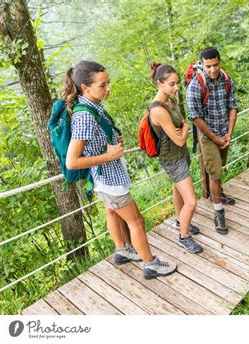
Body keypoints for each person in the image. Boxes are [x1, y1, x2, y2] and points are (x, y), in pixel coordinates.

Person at [65, 60, 176, 279]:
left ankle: (122, 250)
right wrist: (110, 155)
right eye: (102, 85)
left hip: (103, 179)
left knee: (111, 211)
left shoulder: (91, 105)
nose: (108, 89)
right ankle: (150, 264)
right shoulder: (84, 115)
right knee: (136, 221)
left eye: (108, 83)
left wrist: (113, 138)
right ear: (85, 87)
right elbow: (72, 162)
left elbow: (97, 137)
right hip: (110, 179)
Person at [148, 63, 203, 254]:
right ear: (159, 83)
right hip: (172, 158)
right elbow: (180, 139)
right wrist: (186, 128)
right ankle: (184, 236)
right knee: (192, 201)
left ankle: (181, 220)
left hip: (181, 154)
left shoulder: (171, 101)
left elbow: (182, 125)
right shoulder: (158, 110)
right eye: (172, 84)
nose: (176, 88)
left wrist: (184, 128)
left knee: (178, 191)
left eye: (177, 83)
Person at [186, 47, 238, 235]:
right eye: (208, 66)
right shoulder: (196, 85)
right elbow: (195, 116)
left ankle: (217, 193)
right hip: (208, 135)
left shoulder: (227, 80)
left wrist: (229, 134)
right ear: (202, 64)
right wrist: (215, 138)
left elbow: (233, 105)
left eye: (215, 65)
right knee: (215, 173)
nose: (212, 70)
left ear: (220, 62)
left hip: (224, 131)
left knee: (218, 168)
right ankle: (218, 212)